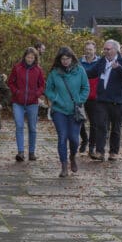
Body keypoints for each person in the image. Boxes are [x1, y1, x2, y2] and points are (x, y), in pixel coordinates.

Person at [44, 47, 89, 177]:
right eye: (62, 59)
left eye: (67, 58)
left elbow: (85, 87)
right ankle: (63, 166)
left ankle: (72, 156)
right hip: (59, 110)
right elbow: (48, 90)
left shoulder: (80, 70)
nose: (65, 61)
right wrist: (56, 99)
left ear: (72, 58)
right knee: (62, 137)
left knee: (74, 139)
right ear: (59, 59)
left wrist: (79, 100)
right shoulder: (54, 73)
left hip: (75, 110)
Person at [84, 39, 122, 161]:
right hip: (102, 99)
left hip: (117, 100)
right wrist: (79, 71)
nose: (105, 51)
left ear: (115, 50)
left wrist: (118, 68)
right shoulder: (101, 61)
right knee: (100, 125)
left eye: (108, 49)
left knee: (115, 127)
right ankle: (100, 151)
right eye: (104, 49)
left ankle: (114, 152)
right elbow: (91, 72)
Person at [7, 47, 45, 162]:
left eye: (32, 57)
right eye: (28, 57)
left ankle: (32, 152)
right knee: (19, 126)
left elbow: (42, 85)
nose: (30, 59)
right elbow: (10, 82)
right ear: (24, 57)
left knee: (32, 128)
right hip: (18, 102)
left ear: (35, 58)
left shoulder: (38, 70)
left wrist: (37, 94)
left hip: (32, 103)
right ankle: (21, 152)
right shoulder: (17, 68)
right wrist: (16, 92)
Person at [80, 41, 100, 156]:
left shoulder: (99, 62)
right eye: (87, 49)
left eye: (90, 49)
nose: (88, 51)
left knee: (94, 123)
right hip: (82, 96)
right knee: (79, 120)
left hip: (94, 96)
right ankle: (84, 139)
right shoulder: (79, 62)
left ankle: (92, 146)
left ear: (95, 50)